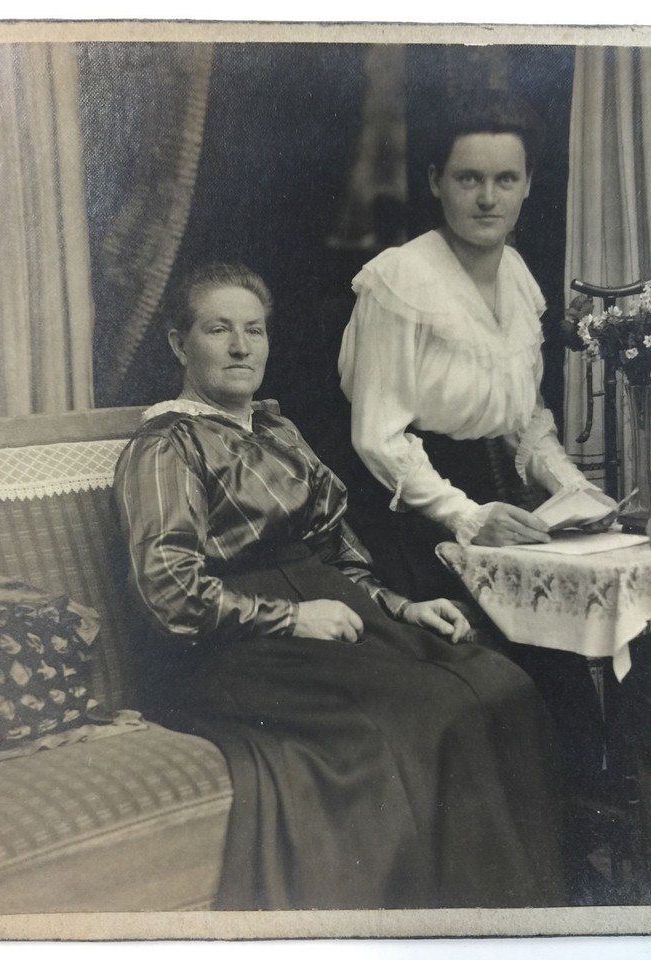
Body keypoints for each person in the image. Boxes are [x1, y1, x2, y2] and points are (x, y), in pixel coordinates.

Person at [113, 261, 566, 911]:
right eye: (218, 329)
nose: (241, 347)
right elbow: (167, 590)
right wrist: (290, 618)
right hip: (238, 647)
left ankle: (514, 916)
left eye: (254, 330)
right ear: (179, 344)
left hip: (334, 614)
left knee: (498, 682)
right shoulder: (166, 445)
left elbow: (338, 553)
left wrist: (402, 607)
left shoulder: (278, 430)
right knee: (428, 711)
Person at [338, 88, 617, 603]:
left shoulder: (515, 273)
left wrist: (574, 489)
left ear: (528, 183)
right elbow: (376, 437)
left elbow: (524, 419)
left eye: (505, 179)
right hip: (412, 521)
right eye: (469, 178)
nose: (488, 198)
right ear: (436, 181)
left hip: (502, 508)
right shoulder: (399, 279)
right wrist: (466, 516)